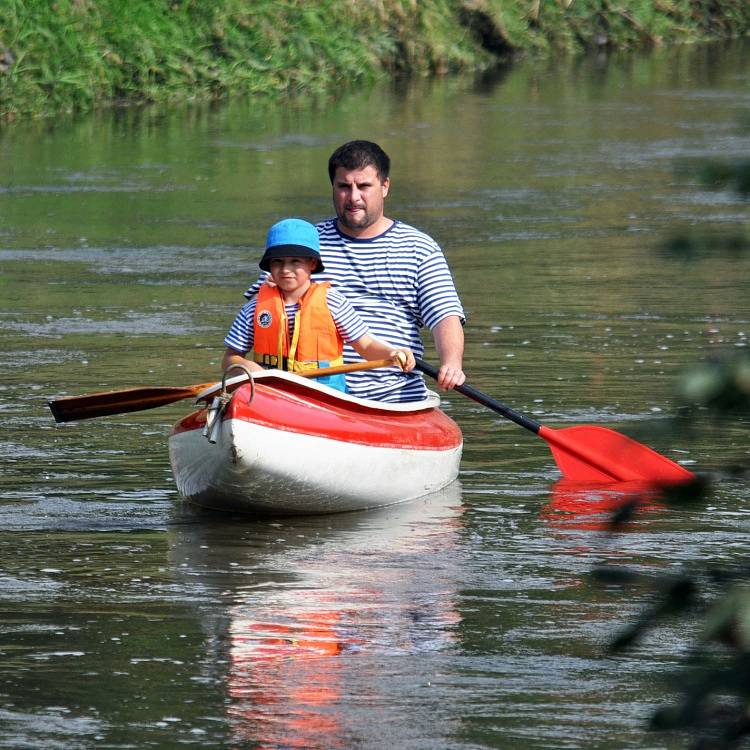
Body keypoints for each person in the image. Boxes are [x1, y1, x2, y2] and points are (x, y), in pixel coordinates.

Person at [242, 139, 466, 403]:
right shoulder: (303, 244)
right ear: (333, 188)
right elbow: (259, 312)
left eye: (364, 186)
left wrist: (451, 364)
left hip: (392, 398)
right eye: (344, 187)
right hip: (308, 394)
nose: (353, 197)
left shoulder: (419, 248)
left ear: (385, 187)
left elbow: (445, 316)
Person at [222, 217, 415, 393]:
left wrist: (392, 353)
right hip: (271, 393)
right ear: (269, 266)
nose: (285, 269)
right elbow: (230, 357)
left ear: (312, 264)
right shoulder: (255, 307)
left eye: (295, 261)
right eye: (278, 262)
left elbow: (366, 345)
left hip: (324, 395)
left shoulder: (333, 302)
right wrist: (247, 368)